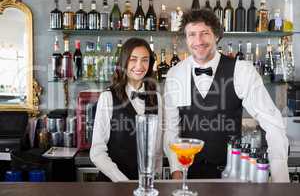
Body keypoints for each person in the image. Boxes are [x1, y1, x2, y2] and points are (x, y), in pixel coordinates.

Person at [163, 9, 289, 182]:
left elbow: (273, 124)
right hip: (188, 175)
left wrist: (280, 181)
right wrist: (176, 171)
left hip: (231, 175)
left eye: (204, 33)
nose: (198, 41)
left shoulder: (241, 71)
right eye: (192, 34)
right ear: (186, 39)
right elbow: (171, 129)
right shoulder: (175, 74)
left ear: (216, 35)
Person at [90, 38, 162, 182]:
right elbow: (97, 152)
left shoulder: (157, 98)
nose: (139, 66)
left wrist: (154, 178)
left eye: (145, 60)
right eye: (133, 59)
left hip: (145, 185)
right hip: (113, 184)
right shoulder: (108, 97)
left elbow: (157, 149)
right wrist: (124, 183)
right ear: (124, 62)